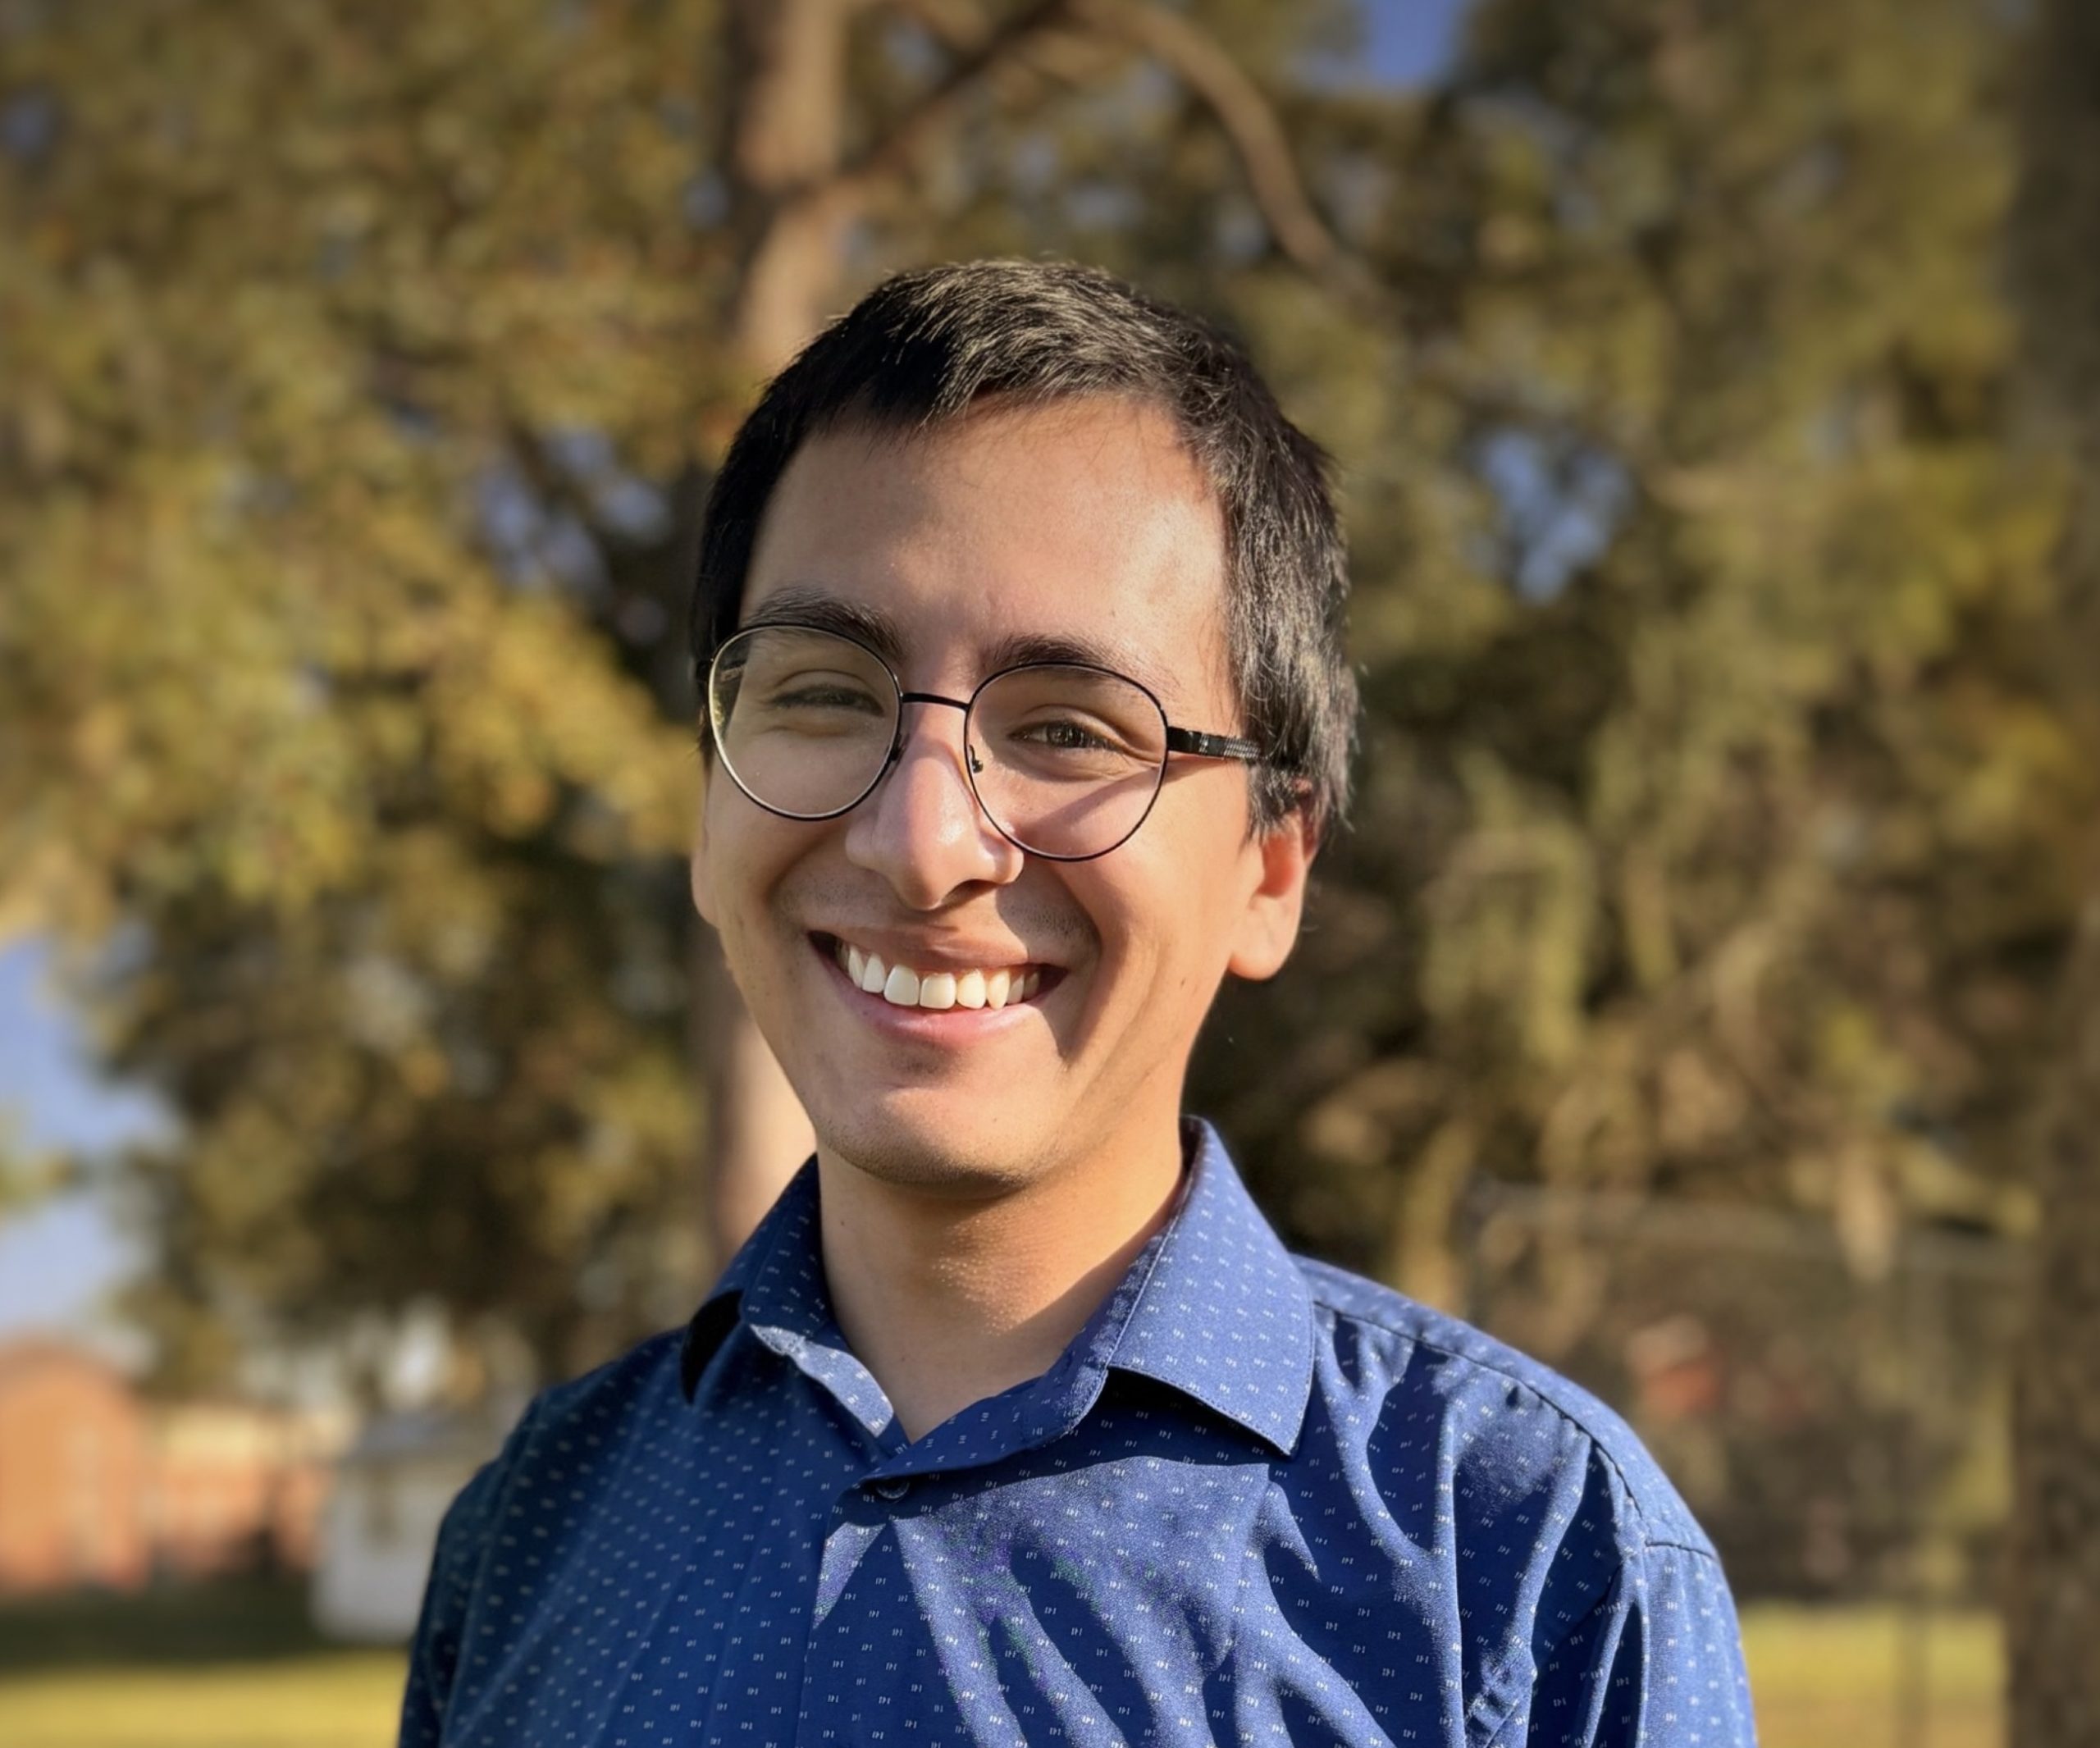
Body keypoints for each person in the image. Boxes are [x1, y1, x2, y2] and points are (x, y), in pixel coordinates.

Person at [399, 260, 1758, 1747]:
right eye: (823, 694)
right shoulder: (533, 1525)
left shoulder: (1524, 1559)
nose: (922, 842)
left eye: (1065, 729)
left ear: (1270, 867)